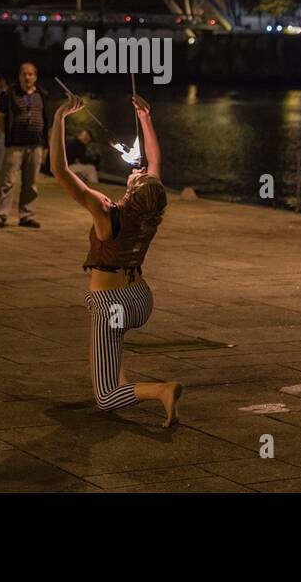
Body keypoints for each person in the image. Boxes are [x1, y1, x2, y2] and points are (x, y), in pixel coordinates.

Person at [50, 91, 181, 427]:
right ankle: (124, 381)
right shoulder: (151, 211)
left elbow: (60, 171)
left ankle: (162, 390)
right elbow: (155, 162)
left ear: (133, 190)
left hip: (112, 304)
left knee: (106, 398)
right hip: (141, 299)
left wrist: (58, 119)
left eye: (139, 175)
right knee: (112, 349)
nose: (139, 169)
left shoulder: (107, 214)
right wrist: (146, 119)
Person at [0, 62, 47, 229]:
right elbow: (0, 116)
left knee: (31, 183)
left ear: (35, 77)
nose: (27, 77)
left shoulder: (42, 94)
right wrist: (6, 134)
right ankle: (0, 215)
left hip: (35, 144)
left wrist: (46, 144)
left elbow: (47, 119)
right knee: (7, 181)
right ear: (19, 76)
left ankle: (27, 215)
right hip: (15, 144)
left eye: (31, 74)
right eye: (24, 74)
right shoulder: (10, 93)